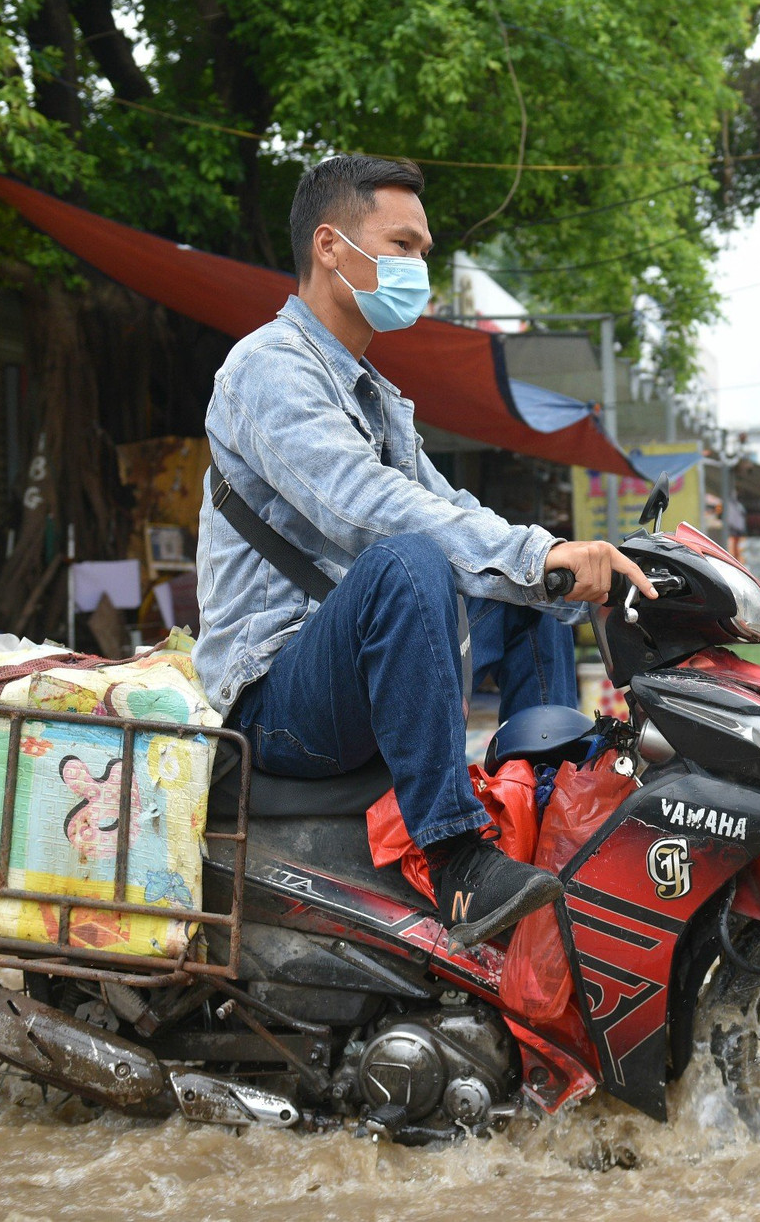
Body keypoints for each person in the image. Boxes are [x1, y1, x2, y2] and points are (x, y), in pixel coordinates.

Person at [194, 155, 655, 947]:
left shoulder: (373, 392)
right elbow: (366, 507)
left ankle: (547, 816)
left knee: (529, 594)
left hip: (351, 668)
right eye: (402, 246)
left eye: (424, 250)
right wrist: (530, 554)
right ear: (331, 247)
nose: (419, 268)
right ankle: (454, 858)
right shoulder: (268, 369)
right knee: (409, 558)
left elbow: (453, 508)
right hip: (275, 701)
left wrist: (555, 559)